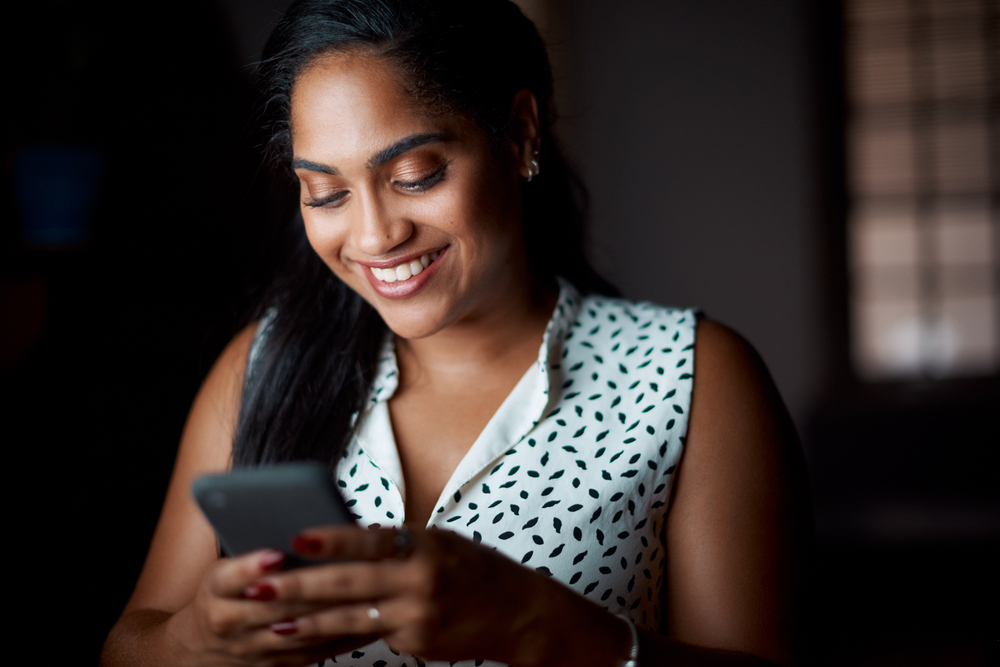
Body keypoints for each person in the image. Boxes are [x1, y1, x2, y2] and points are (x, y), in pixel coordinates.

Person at [101, 1, 811, 665]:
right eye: (327, 193)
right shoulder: (261, 365)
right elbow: (130, 642)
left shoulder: (690, 377)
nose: (376, 235)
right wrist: (200, 636)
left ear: (521, 133)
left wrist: (545, 624)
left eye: (416, 174)